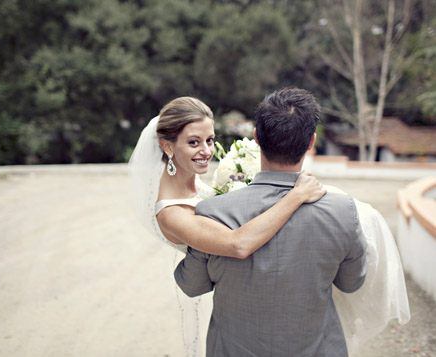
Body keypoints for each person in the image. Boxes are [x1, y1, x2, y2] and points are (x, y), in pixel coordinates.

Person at [174, 87, 410, 356]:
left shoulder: (212, 211)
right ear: (311, 142)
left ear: (256, 138)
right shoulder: (344, 211)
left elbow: (192, 285)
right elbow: (351, 283)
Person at [128, 96, 326, 356]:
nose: (207, 151)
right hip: (237, 300)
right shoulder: (171, 213)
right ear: (167, 146)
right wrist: (296, 195)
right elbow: (238, 244)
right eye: (193, 142)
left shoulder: (197, 182)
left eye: (209, 140)